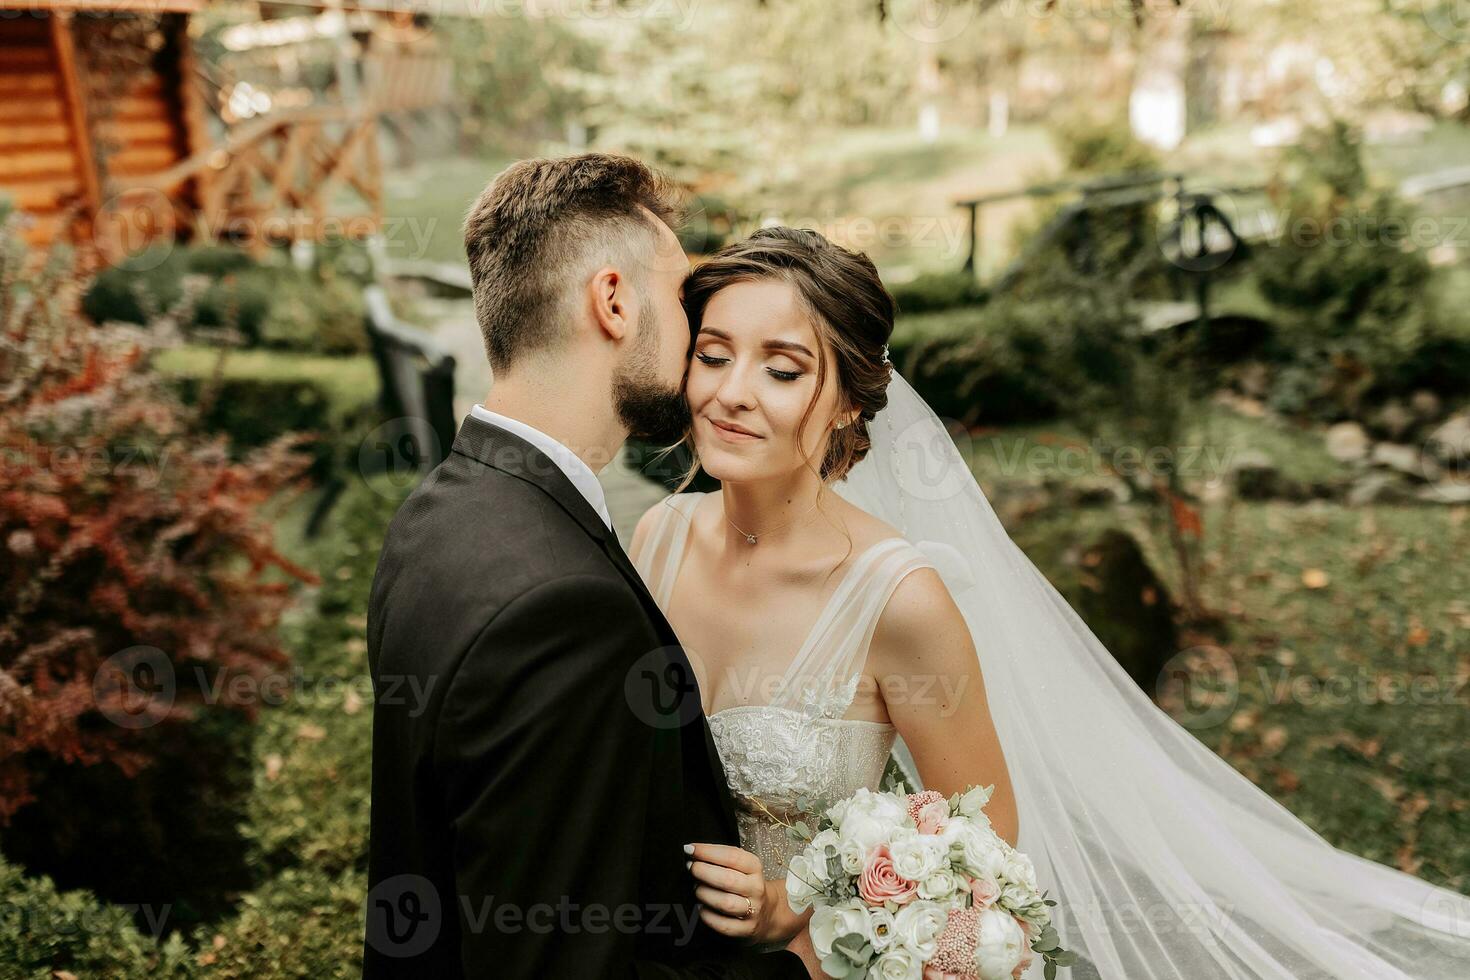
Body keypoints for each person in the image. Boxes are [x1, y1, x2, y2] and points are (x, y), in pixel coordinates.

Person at [630, 226, 1470, 979]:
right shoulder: (656, 539)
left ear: (850, 400)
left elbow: (984, 857)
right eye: (712, 355)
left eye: (782, 369)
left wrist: (794, 910)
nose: (732, 391)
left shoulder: (898, 601)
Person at [364, 155, 809, 979]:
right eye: (681, 300)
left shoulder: (433, 517)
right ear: (613, 302)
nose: (697, 342)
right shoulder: (567, 611)